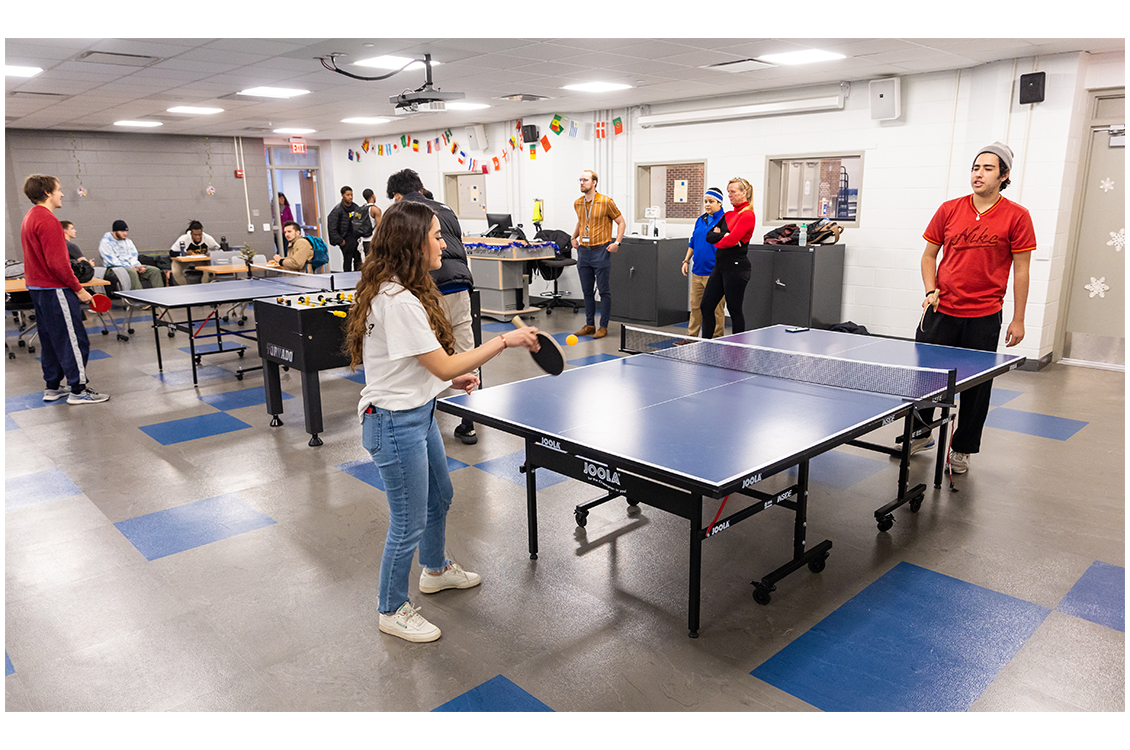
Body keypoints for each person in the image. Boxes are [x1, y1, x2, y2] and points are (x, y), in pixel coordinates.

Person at [343, 200, 541, 643]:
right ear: (413, 244)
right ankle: (391, 608)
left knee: (440, 497)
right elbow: (444, 364)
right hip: (394, 424)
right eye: (435, 235)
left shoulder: (403, 291)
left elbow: (420, 367)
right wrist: (505, 340)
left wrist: (446, 383)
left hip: (417, 413)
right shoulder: (396, 301)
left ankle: (434, 570)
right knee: (408, 520)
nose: (442, 242)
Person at [912, 142, 1034, 475]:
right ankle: (921, 433)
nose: (978, 174)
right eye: (975, 168)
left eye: (988, 168)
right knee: (926, 379)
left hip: (984, 315)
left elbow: (1021, 268)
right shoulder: (949, 209)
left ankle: (963, 449)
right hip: (942, 311)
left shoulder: (1017, 216)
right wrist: (930, 289)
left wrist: (1018, 318)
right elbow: (928, 255)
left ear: (1004, 175)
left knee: (977, 387)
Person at [386, 168, 480, 445]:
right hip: (459, 284)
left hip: (426, 288)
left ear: (397, 195)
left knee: (426, 353)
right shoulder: (445, 209)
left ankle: (423, 421)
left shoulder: (405, 214)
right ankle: (470, 422)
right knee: (465, 350)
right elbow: (454, 244)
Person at [19, 175, 109, 404]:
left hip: (38, 289)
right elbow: (58, 264)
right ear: (47, 192)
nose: (61, 194)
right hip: (54, 289)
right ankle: (79, 390)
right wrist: (79, 289)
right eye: (58, 190)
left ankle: (52, 386)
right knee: (74, 339)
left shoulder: (29, 217)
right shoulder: (48, 220)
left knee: (50, 339)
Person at [570, 169, 625, 339]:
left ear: (594, 182)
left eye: (585, 180)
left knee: (603, 291)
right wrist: (573, 237)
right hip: (583, 252)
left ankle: (603, 326)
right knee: (587, 291)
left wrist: (617, 242)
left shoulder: (606, 202)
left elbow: (621, 222)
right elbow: (582, 221)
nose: (582, 182)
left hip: (601, 250)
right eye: (580, 180)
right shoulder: (578, 203)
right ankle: (589, 325)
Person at [698, 177, 756, 339]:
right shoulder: (729, 214)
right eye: (728, 191)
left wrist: (722, 238)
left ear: (743, 193)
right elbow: (709, 236)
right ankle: (705, 343)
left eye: (733, 192)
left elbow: (726, 242)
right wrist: (725, 235)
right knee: (706, 306)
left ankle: (737, 348)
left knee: (734, 309)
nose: (729, 195)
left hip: (737, 268)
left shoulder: (748, 215)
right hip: (720, 266)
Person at [680, 188, 727, 339]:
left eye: (711, 201)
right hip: (697, 272)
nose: (707, 204)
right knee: (695, 307)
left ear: (719, 203)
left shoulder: (725, 220)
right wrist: (686, 260)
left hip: (715, 273)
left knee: (716, 309)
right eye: (705, 201)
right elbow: (693, 242)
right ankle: (691, 337)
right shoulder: (700, 219)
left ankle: (716, 339)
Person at [98, 220, 164, 290]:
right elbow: (113, 261)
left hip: (131, 266)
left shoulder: (128, 241)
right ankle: (138, 297)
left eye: (126, 231)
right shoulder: (105, 243)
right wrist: (130, 267)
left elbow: (133, 256)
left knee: (154, 271)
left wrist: (138, 266)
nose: (125, 233)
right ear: (115, 232)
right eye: (122, 231)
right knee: (132, 272)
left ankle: (160, 295)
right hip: (113, 268)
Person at [328, 186, 369, 272]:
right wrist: (340, 241)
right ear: (342, 195)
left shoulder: (355, 207)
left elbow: (361, 221)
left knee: (358, 260)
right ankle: (347, 281)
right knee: (348, 260)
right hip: (346, 239)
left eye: (351, 194)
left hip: (356, 238)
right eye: (348, 195)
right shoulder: (337, 210)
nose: (350, 197)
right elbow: (332, 227)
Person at [169, 220, 219, 285]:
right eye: (195, 235)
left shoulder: (207, 238)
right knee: (176, 271)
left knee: (208, 270)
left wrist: (210, 253)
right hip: (184, 261)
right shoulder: (184, 239)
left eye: (199, 234)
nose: (198, 237)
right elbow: (172, 253)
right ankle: (185, 287)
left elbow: (219, 250)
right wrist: (184, 253)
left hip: (201, 261)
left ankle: (205, 286)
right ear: (191, 233)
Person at [361, 188, 383, 257]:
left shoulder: (360, 209)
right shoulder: (375, 210)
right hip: (373, 240)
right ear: (373, 195)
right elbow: (379, 227)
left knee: (367, 261)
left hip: (364, 240)